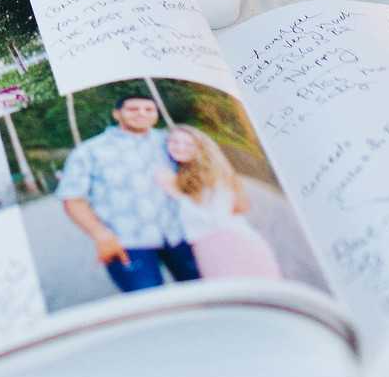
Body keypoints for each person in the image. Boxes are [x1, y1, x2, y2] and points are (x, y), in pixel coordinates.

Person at [57, 92, 201, 293]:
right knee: (150, 304)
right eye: (133, 109)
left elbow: (201, 176)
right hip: (127, 242)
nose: (141, 113)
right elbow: (72, 198)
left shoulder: (171, 142)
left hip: (180, 235)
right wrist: (101, 235)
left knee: (205, 294)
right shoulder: (89, 151)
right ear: (117, 114)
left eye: (149, 109)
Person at [159, 126, 283, 279]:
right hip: (209, 248)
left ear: (200, 148)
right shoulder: (185, 172)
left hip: (231, 245)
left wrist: (176, 193)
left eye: (188, 143)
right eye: (174, 142)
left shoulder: (212, 174)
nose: (180, 147)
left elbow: (216, 219)